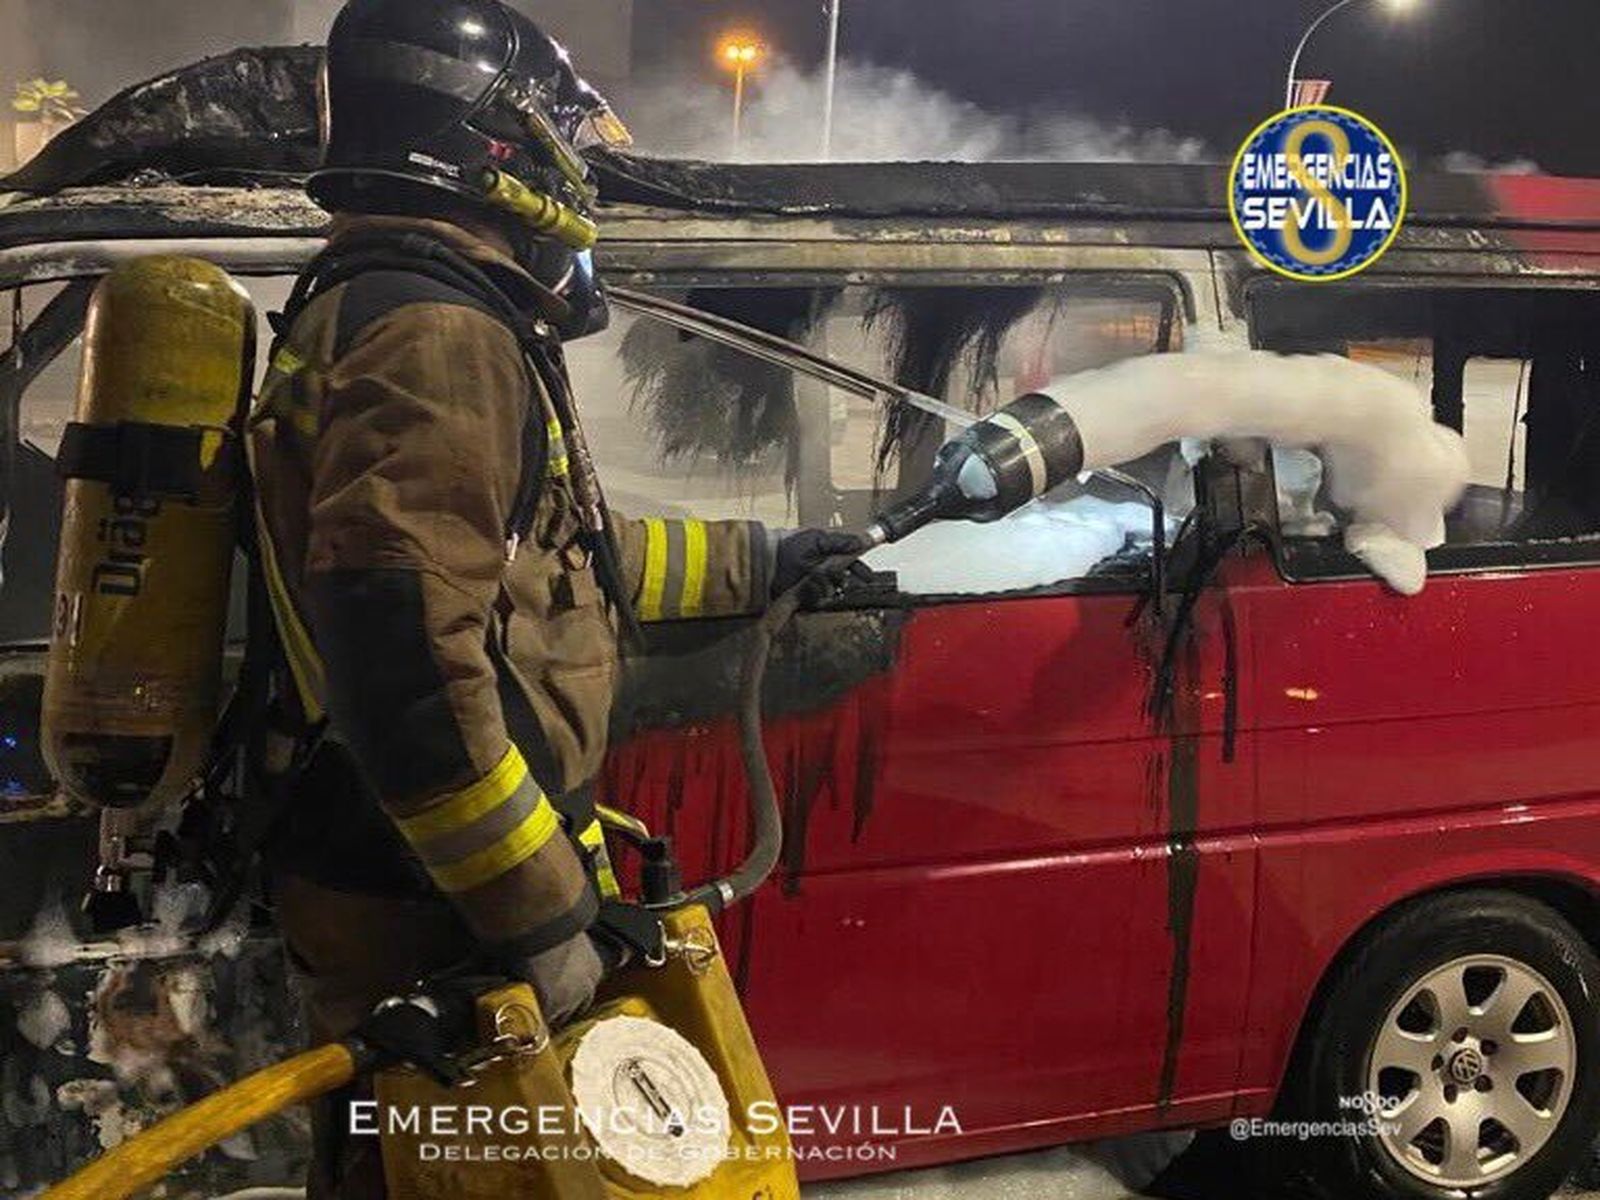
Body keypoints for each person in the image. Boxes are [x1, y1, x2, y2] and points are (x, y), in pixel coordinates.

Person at [247, 1, 859, 1193]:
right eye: (556, 128)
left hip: (394, 863)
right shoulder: (437, 330)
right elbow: (404, 663)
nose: (571, 158)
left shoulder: (394, 302)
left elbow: (548, 561)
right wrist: (535, 914)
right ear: (487, 138)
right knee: (456, 1175)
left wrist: (759, 559)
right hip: (420, 892)